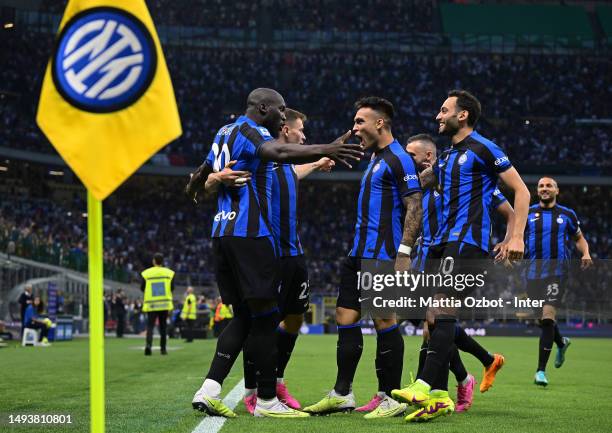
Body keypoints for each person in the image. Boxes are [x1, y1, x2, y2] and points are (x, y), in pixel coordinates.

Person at [186, 87, 362, 418]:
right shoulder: (252, 132)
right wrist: (327, 147)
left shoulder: (224, 133)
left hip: (222, 232)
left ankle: (209, 389)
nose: (283, 116)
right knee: (265, 318)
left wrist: (211, 181)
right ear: (263, 108)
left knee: (244, 316)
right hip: (251, 236)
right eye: (280, 110)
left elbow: (197, 180)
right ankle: (265, 399)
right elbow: (278, 153)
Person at [392, 89, 531, 422]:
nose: (438, 116)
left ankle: (426, 385)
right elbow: (419, 182)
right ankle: (441, 393)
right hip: (440, 244)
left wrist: (516, 236)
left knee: (440, 308)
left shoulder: (484, 148)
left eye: (444, 110)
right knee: (429, 316)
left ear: (463, 114)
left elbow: (521, 190)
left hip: (467, 241)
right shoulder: (448, 158)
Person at [304, 97, 422, 419]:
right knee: (345, 315)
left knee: (384, 320)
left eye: (360, 122)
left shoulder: (399, 158)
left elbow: (415, 206)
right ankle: (342, 394)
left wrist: (404, 252)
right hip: (358, 252)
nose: (355, 128)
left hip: (382, 254)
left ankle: (391, 396)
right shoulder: (374, 158)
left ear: (379, 123)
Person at [405, 133, 515, 413]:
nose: (408, 161)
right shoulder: (421, 189)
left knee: (435, 321)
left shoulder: (469, 182)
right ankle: (478, 366)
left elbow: (507, 209)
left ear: (429, 157)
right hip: (425, 258)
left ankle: (434, 391)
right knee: (430, 325)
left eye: (411, 156)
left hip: (457, 253)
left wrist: (512, 238)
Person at [241, 108, 335, 414]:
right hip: (270, 254)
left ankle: (277, 379)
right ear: (285, 131)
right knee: (262, 322)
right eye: (300, 130)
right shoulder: (267, 157)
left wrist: (317, 162)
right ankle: (253, 389)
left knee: (295, 317)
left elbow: (293, 174)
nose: (304, 136)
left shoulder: (286, 165)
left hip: (295, 252)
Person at [525, 176, 592, 386]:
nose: (545, 189)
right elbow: (514, 234)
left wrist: (586, 253)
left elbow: (579, 238)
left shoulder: (567, 214)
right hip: (531, 274)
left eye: (549, 186)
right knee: (542, 321)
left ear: (557, 190)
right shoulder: (526, 213)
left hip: (557, 273)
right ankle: (561, 342)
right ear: (537, 191)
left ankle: (540, 372)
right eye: (541, 186)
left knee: (547, 317)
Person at [141, 253, 175, 356]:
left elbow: (142, 288)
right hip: (164, 304)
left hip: (151, 305)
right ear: (162, 261)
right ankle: (163, 349)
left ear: (154, 261)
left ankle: (148, 346)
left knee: (150, 326)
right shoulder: (169, 273)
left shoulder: (146, 273)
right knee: (163, 327)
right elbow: (172, 288)